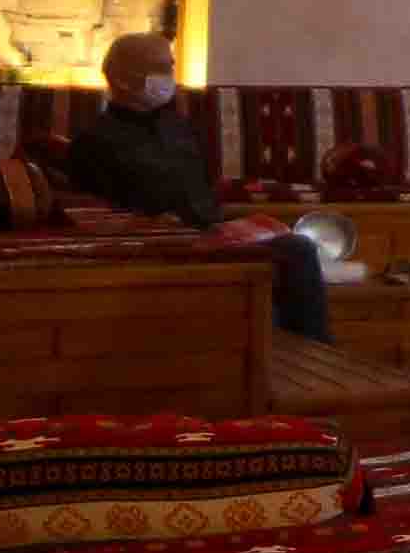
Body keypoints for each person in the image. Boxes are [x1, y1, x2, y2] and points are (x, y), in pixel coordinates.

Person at [61, 33, 339, 340]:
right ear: (122, 78)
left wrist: (237, 223)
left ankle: (305, 355)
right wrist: (154, 225)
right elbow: (92, 216)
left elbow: (204, 193)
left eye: (170, 66)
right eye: (159, 67)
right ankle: (306, 354)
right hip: (158, 247)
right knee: (294, 253)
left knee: (293, 248)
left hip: (209, 235)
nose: (169, 75)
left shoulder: (179, 128)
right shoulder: (95, 141)